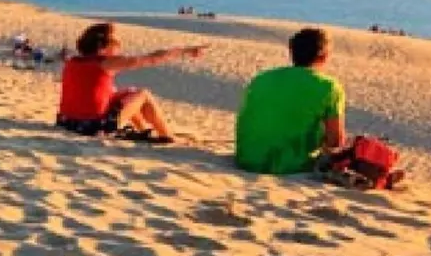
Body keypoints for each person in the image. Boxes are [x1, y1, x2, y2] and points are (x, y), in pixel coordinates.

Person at [56, 22, 205, 144]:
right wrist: (185, 51)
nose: (119, 48)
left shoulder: (72, 61)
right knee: (143, 94)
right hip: (92, 127)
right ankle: (167, 136)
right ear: (103, 46)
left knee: (128, 93)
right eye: (116, 44)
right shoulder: (105, 63)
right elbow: (151, 58)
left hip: (67, 123)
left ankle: (143, 131)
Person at [235, 27, 346, 174]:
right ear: (323, 55)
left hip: (247, 159)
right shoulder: (329, 86)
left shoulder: (261, 78)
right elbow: (335, 142)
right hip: (292, 166)